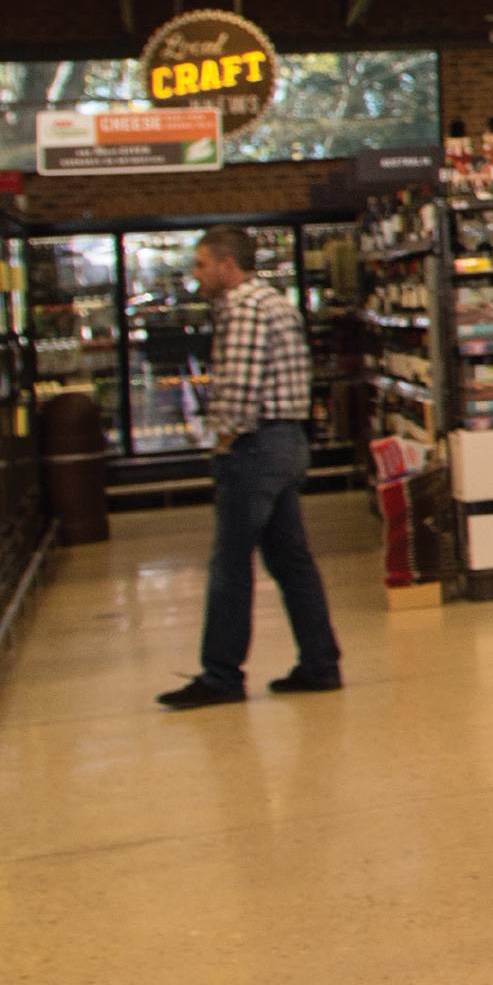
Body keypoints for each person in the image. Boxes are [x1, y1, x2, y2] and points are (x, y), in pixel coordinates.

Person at [157, 227, 343, 709]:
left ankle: (221, 675)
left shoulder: (242, 307)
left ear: (227, 265)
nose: (196, 275)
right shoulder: (276, 302)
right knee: (290, 560)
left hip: (256, 447)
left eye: (201, 265)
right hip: (287, 441)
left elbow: (238, 390)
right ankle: (320, 664)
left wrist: (222, 441)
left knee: (230, 565)